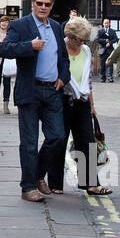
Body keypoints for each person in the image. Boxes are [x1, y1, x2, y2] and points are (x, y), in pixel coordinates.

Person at [0, 0, 69, 203]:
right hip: (30, 90)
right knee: (29, 142)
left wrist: (63, 78)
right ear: (32, 4)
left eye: (47, 4)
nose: (43, 8)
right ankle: (28, 186)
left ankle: (37, 174)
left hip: (52, 90)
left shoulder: (56, 27)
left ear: (51, 6)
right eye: (40, 4)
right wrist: (29, 46)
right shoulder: (21, 25)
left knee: (57, 137)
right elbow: (5, 49)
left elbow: (64, 58)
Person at [46, 17, 103, 195]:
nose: (82, 43)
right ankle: (55, 183)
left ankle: (90, 183)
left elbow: (87, 81)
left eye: (84, 40)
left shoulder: (86, 51)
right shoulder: (58, 49)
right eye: (79, 39)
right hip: (62, 101)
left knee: (87, 142)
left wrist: (92, 105)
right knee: (59, 141)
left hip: (82, 103)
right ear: (70, 37)